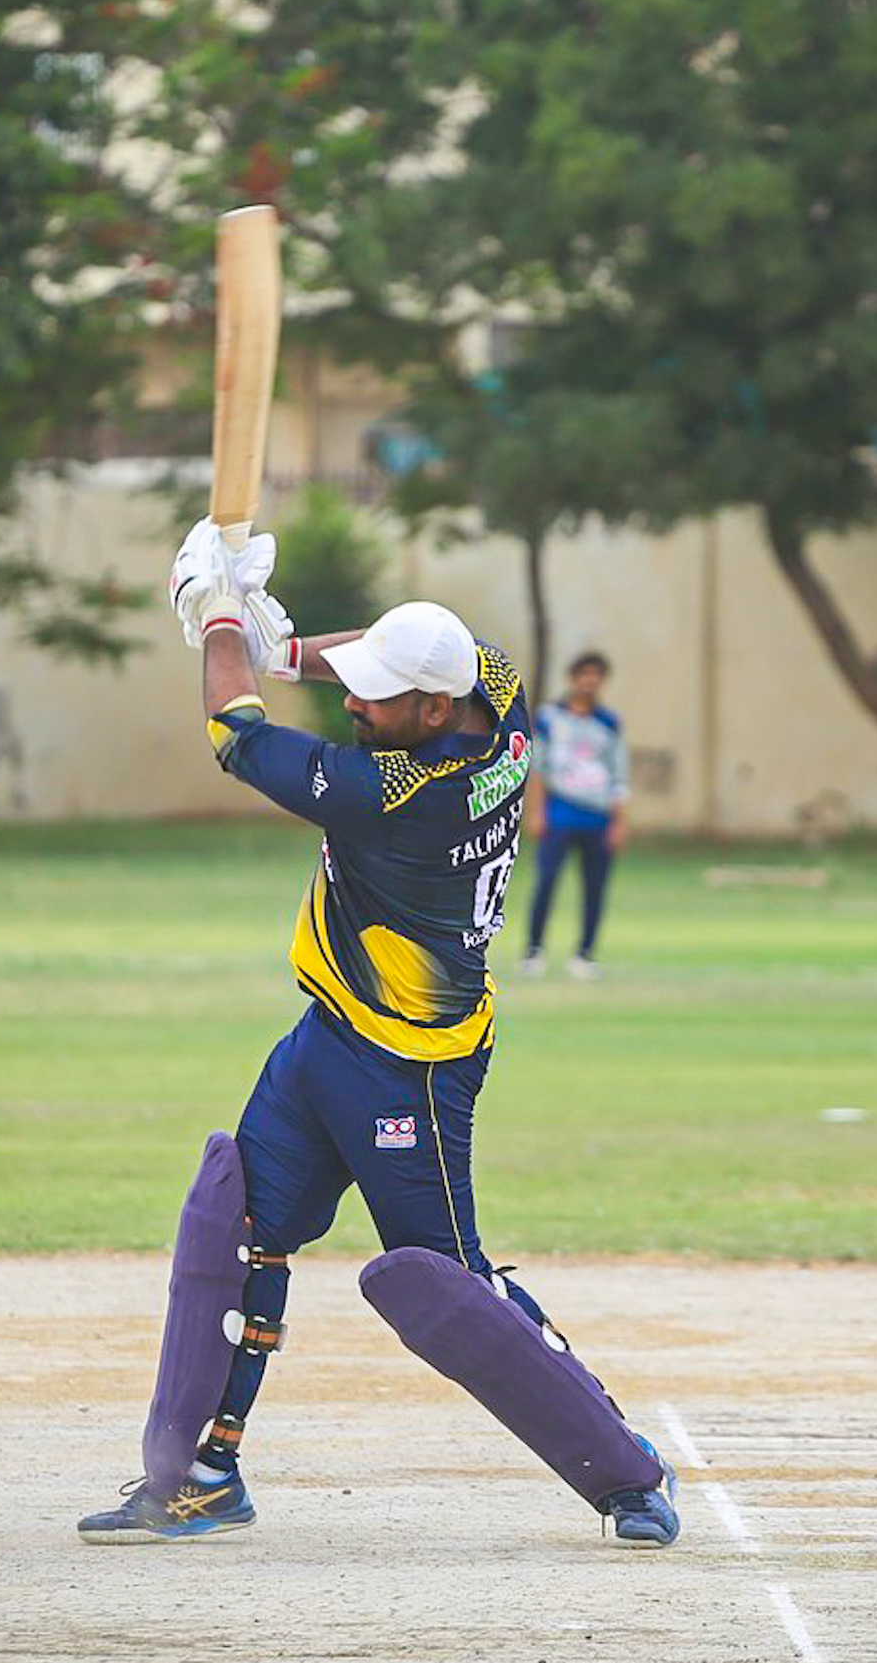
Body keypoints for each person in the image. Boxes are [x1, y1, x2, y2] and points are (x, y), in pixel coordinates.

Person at [75, 520, 678, 1548]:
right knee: (238, 1219)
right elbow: (384, 657)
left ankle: (626, 1473)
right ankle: (200, 1478)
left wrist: (217, 622)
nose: (353, 705)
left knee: (447, 1284)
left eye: (375, 696)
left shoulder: (402, 798)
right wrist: (284, 645)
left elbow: (236, 736)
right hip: (327, 1040)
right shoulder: (498, 693)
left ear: (433, 710)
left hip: (413, 1068)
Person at [522, 650, 629, 979]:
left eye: (596, 675)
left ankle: (584, 953)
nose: (589, 681)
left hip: (597, 816)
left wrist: (619, 821)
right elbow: (538, 768)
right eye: (585, 674)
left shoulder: (609, 722)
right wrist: (537, 813)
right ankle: (534, 950)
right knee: (546, 882)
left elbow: (619, 774)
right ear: (573, 677)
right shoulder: (550, 717)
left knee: (594, 888)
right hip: (560, 812)